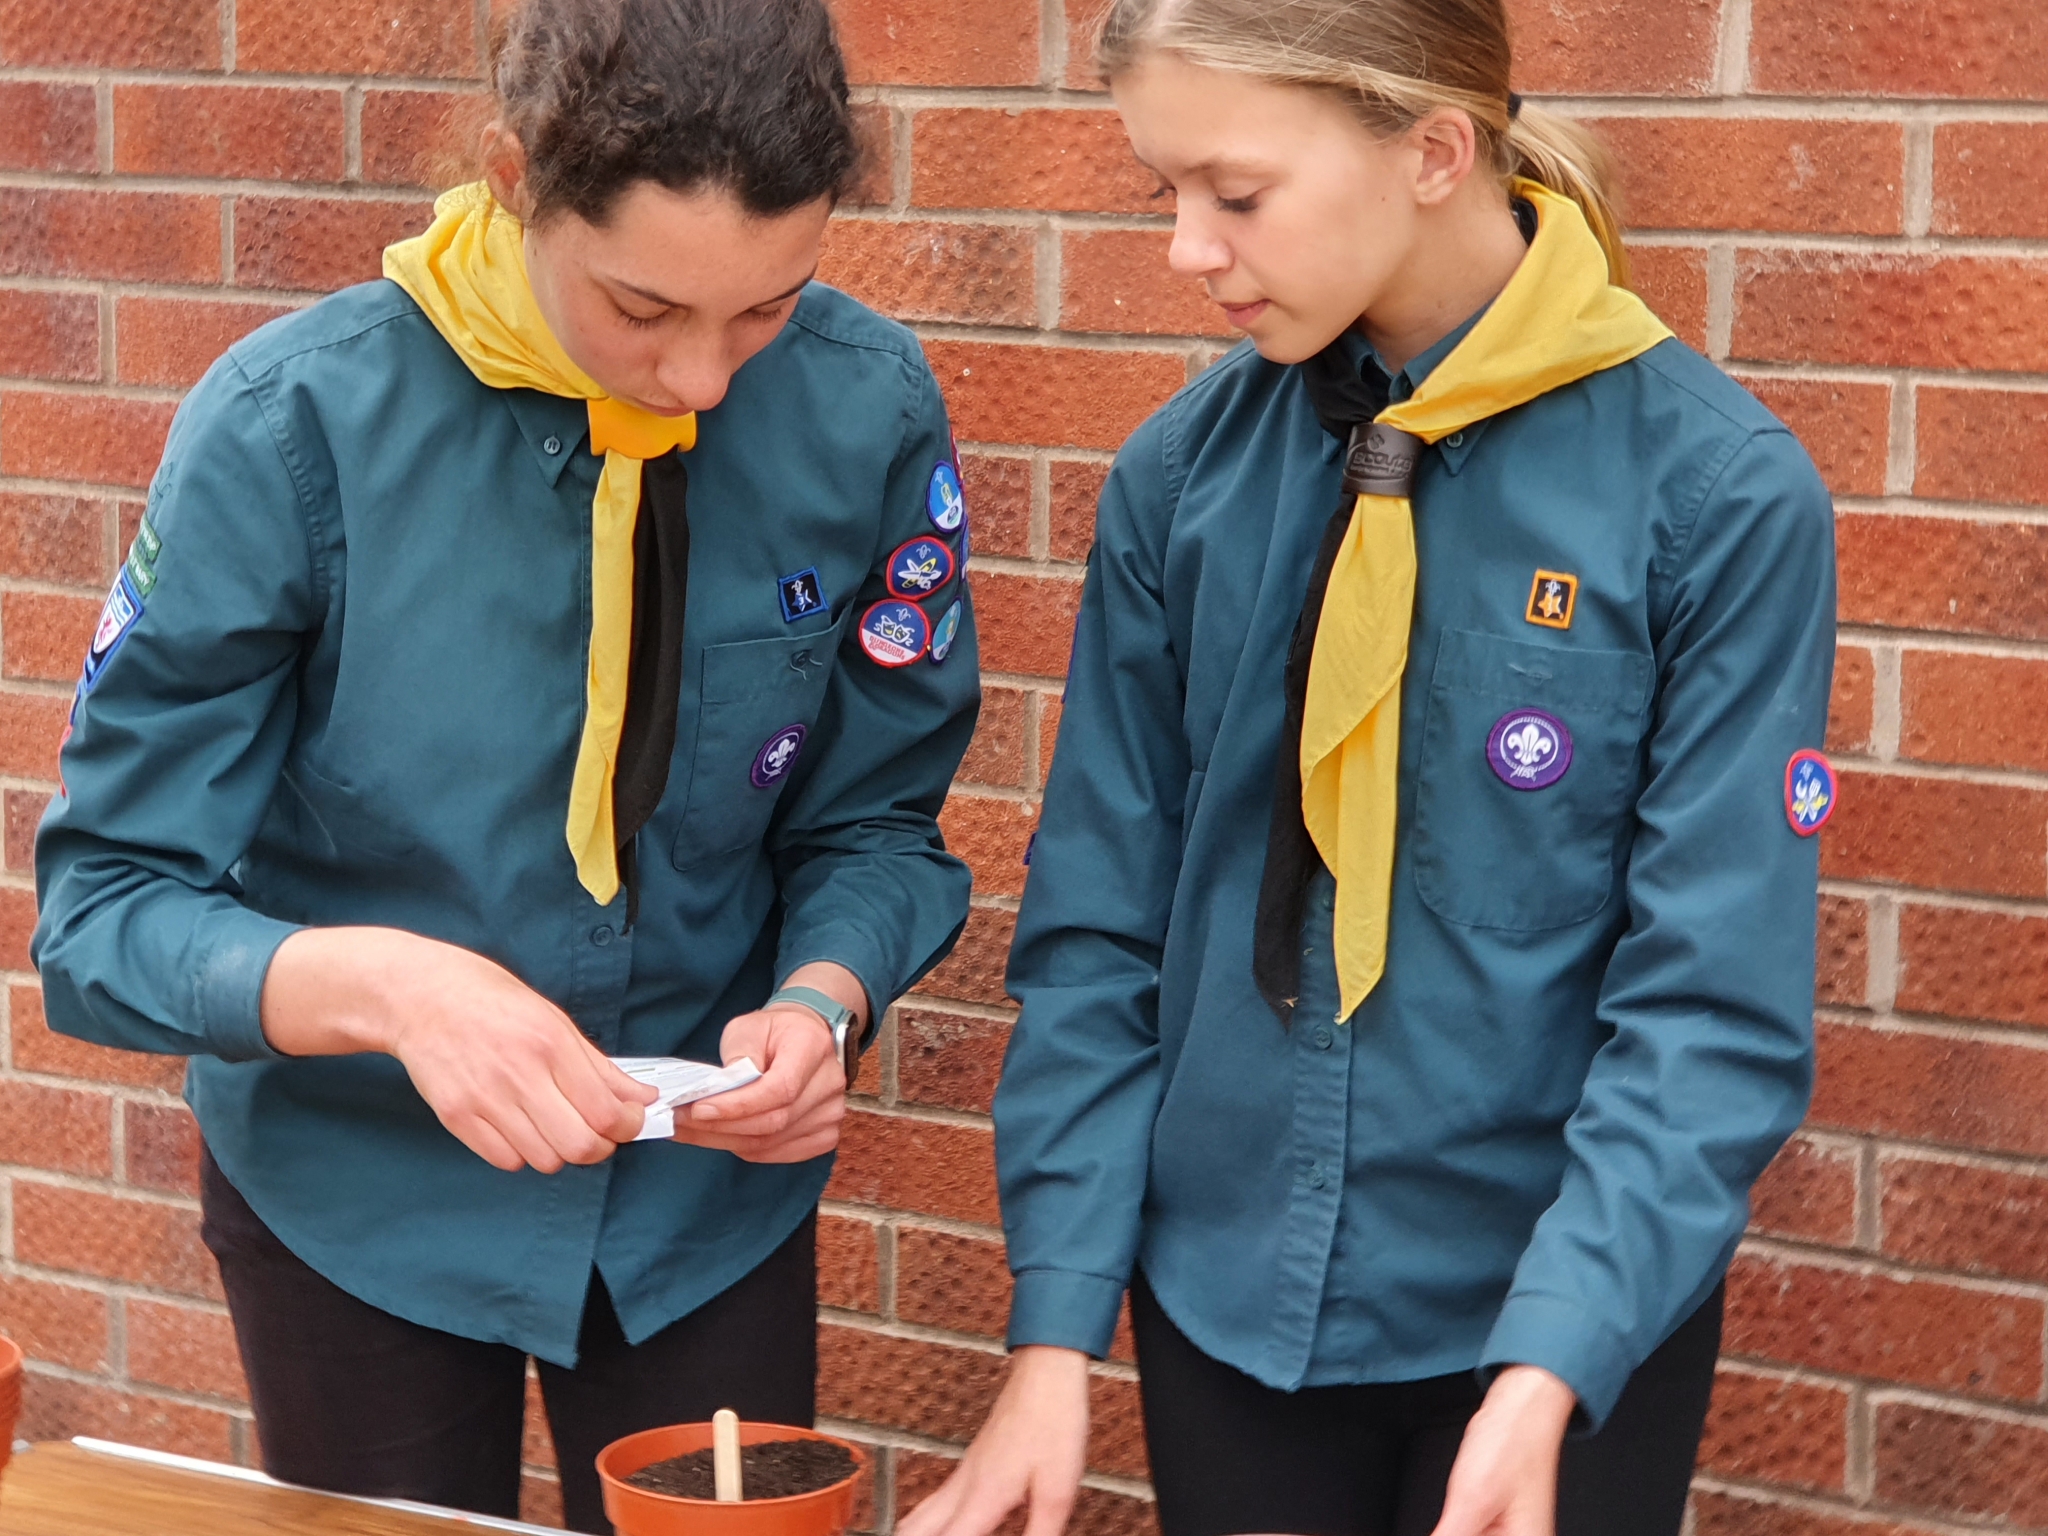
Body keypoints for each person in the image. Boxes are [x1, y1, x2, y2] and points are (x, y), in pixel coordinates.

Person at [32, 0, 978, 1529]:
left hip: (700, 1214)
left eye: (766, 310)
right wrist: (395, 992)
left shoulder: (868, 406)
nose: (705, 382)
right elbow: (101, 916)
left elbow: (875, 820)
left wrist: (827, 997)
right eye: (643, 307)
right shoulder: (291, 430)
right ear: (515, 175)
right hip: (356, 1205)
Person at [904, 2, 1834, 1535]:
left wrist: (1549, 1368)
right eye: (1167, 194)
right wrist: (1054, 1327)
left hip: (1551, 1327)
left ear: (1435, 150)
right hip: (1228, 1317)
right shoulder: (1178, 482)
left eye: (1238, 194)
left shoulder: (1718, 499)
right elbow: (1098, 935)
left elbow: (1710, 1003)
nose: (1190, 249)